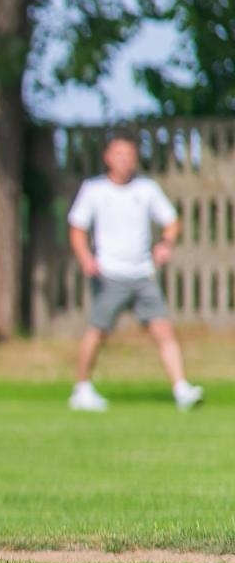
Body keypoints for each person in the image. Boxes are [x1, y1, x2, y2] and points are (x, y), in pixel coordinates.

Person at [67, 134, 203, 412]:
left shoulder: (146, 189)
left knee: (163, 330)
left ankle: (181, 388)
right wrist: (85, 259)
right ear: (107, 157)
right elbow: (77, 228)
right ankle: (81, 388)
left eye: (129, 155)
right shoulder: (94, 190)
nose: (124, 160)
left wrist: (165, 244)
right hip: (109, 273)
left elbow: (171, 221)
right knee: (98, 331)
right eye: (119, 154)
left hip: (142, 273)